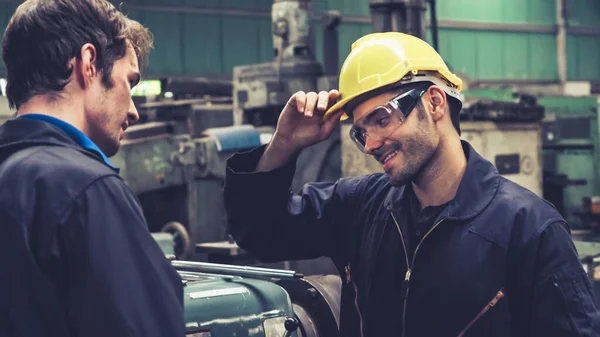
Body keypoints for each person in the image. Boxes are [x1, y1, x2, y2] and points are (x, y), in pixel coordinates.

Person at [224, 32, 600, 336]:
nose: (370, 145)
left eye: (382, 119)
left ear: (434, 102)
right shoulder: (361, 207)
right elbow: (261, 232)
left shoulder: (529, 229)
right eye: (360, 132)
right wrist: (284, 145)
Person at [0, 1, 185, 336]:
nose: (133, 111)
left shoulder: (12, 175)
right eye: (129, 82)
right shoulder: (84, 189)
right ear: (89, 64)